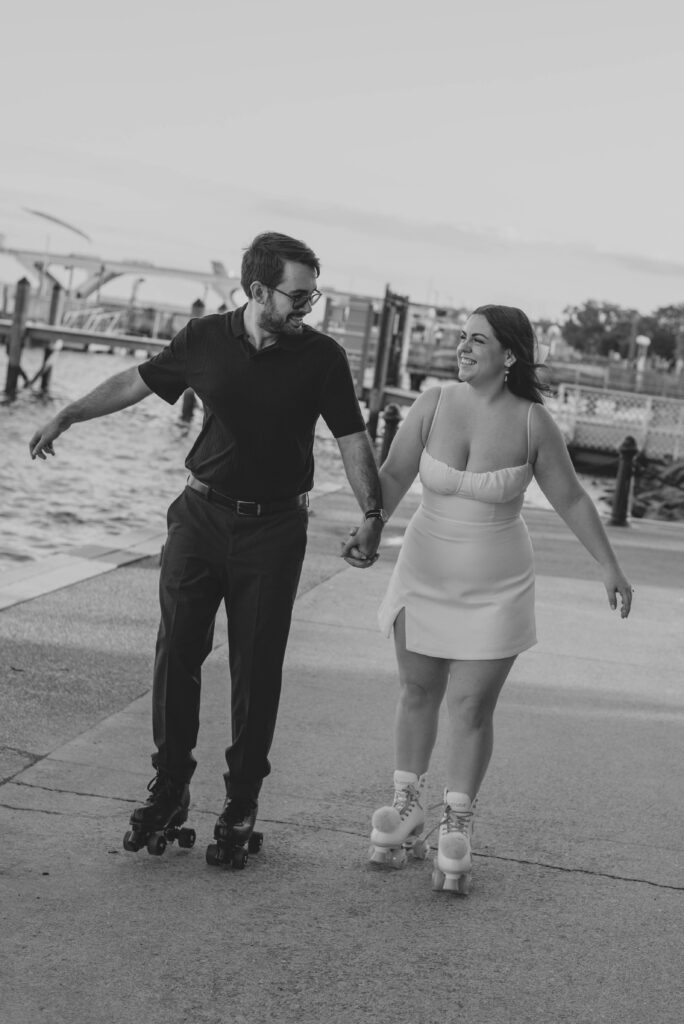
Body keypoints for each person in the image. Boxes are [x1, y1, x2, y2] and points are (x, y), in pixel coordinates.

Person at [29, 231, 385, 863]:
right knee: (177, 653)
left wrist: (373, 513)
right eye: (299, 296)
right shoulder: (202, 339)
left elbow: (352, 439)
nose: (309, 307)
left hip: (275, 530)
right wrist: (68, 416)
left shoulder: (321, 357)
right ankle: (169, 788)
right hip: (199, 515)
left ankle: (242, 798)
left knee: (257, 666)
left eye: (313, 296)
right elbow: (137, 382)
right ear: (257, 290)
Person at [367, 304, 633, 893]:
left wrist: (609, 566)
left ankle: (456, 822)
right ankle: (406, 803)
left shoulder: (534, 423)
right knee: (416, 690)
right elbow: (392, 476)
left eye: (477, 340)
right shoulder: (432, 403)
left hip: (499, 584)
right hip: (423, 568)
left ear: (509, 355)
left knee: (469, 708)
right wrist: (368, 526)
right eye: (461, 338)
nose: (462, 348)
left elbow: (572, 500)